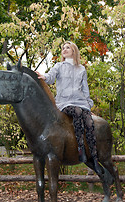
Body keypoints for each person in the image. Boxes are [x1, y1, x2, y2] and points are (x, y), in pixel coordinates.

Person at [36, 41, 101, 174]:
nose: (64, 50)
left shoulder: (81, 69)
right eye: (63, 48)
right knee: (76, 112)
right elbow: (50, 77)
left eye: (67, 48)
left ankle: (94, 158)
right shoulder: (59, 66)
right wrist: (43, 76)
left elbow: (85, 90)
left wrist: (88, 106)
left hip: (81, 102)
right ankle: (80, 150)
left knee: (89, 122)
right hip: (64, 103)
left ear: (73, 51)